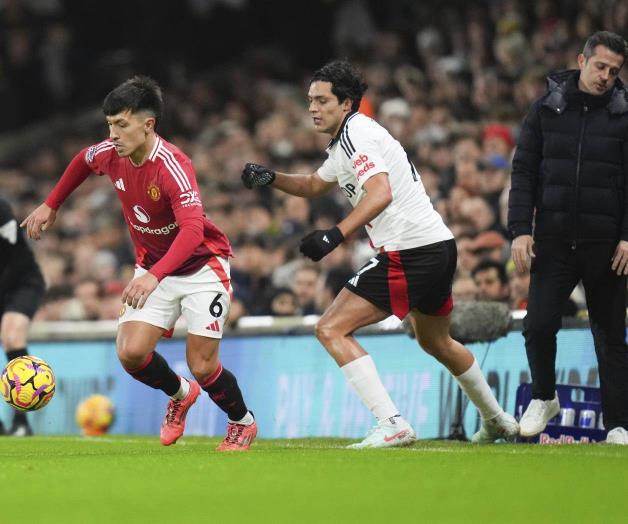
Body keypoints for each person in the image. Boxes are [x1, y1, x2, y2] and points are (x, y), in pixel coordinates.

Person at [242, 60, 518, 448]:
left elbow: (380, 193)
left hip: (410, 250)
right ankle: (498, 419)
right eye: (310, 101)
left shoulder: (357, 134)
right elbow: (311, 184)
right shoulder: (345, 141)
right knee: (436, 342)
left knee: (330, 328)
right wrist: (272, 178)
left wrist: (335, 235)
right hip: (438, 246)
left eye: (322, 100)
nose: (313, 108)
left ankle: (392, 423)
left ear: (346, 103)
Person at [22, 76, 257, 451]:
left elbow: (193, 230)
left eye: (122, 124)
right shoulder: (110, 153)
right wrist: (52, 203)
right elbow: (83, 160)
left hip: (201, 267)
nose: (113, 133)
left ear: (148, 124)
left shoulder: (173, 165)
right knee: (131, 353)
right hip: (154, 267)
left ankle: (241, 421)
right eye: (110, 124)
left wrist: (154, 277)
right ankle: (180, 394)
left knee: (202, 364)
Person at [508, 31, 628, 444]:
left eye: (614, 71)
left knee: (611, 336)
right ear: (582, 60)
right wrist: (521, 230)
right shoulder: (545, 110)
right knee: (537, 326)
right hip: (554, 241)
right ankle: (544, 396)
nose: (606, 77)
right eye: (600, 67)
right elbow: (523, 171)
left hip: (607, 245)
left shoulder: (625, 115)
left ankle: (618, 425)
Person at [0, 196, 46, 436]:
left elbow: (14, 259)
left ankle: (21, 421)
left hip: (22, 282)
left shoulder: (1, 209)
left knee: (12, 334)